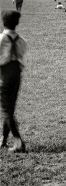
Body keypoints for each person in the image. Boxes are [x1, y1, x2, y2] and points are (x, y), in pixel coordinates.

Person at [0, 10, 27, 153]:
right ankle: (3, 139)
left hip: (4, 77)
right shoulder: (22, 40)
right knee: (9, 109)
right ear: (17, 23)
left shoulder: (1, 39)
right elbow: (21, 54)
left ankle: (18, 142)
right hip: (16, 76)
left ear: (3, 22)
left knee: (6, 110)